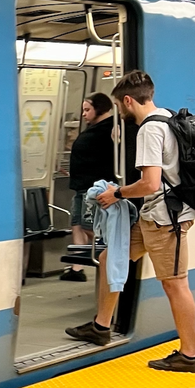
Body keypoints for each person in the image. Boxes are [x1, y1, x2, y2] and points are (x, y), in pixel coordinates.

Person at [66, 70, 195, 372]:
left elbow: (150, 183)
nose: (121, 112)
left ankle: (190, 355)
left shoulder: (149, 131)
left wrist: (118, 193)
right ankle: (101, 325)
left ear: (128, 101)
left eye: (120, 105)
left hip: (167, 219)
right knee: (109, 256)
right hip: (153, 217)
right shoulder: (167, 116)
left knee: (175, 284)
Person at [61, 93, 117, 282]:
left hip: (94, 187)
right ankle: (77, 268)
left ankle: (111, 253)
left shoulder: (111, 128)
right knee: (76, 224)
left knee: (89, 226)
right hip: (81, 185)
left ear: (99, 109)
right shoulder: (93, 128)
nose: (84, 114)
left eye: (87, 110)